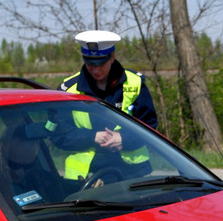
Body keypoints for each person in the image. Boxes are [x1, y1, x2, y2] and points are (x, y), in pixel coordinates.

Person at [50, 30, 158, 182]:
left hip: (134, 174)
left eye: (100, 63)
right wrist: (92, 137)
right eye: (89, 63)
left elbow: (150, 127)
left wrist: (124, 139)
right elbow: (58, 135)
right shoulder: (68, 90)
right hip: (85, 178)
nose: (95, 69)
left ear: (112, 57)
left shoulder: (135, 84)